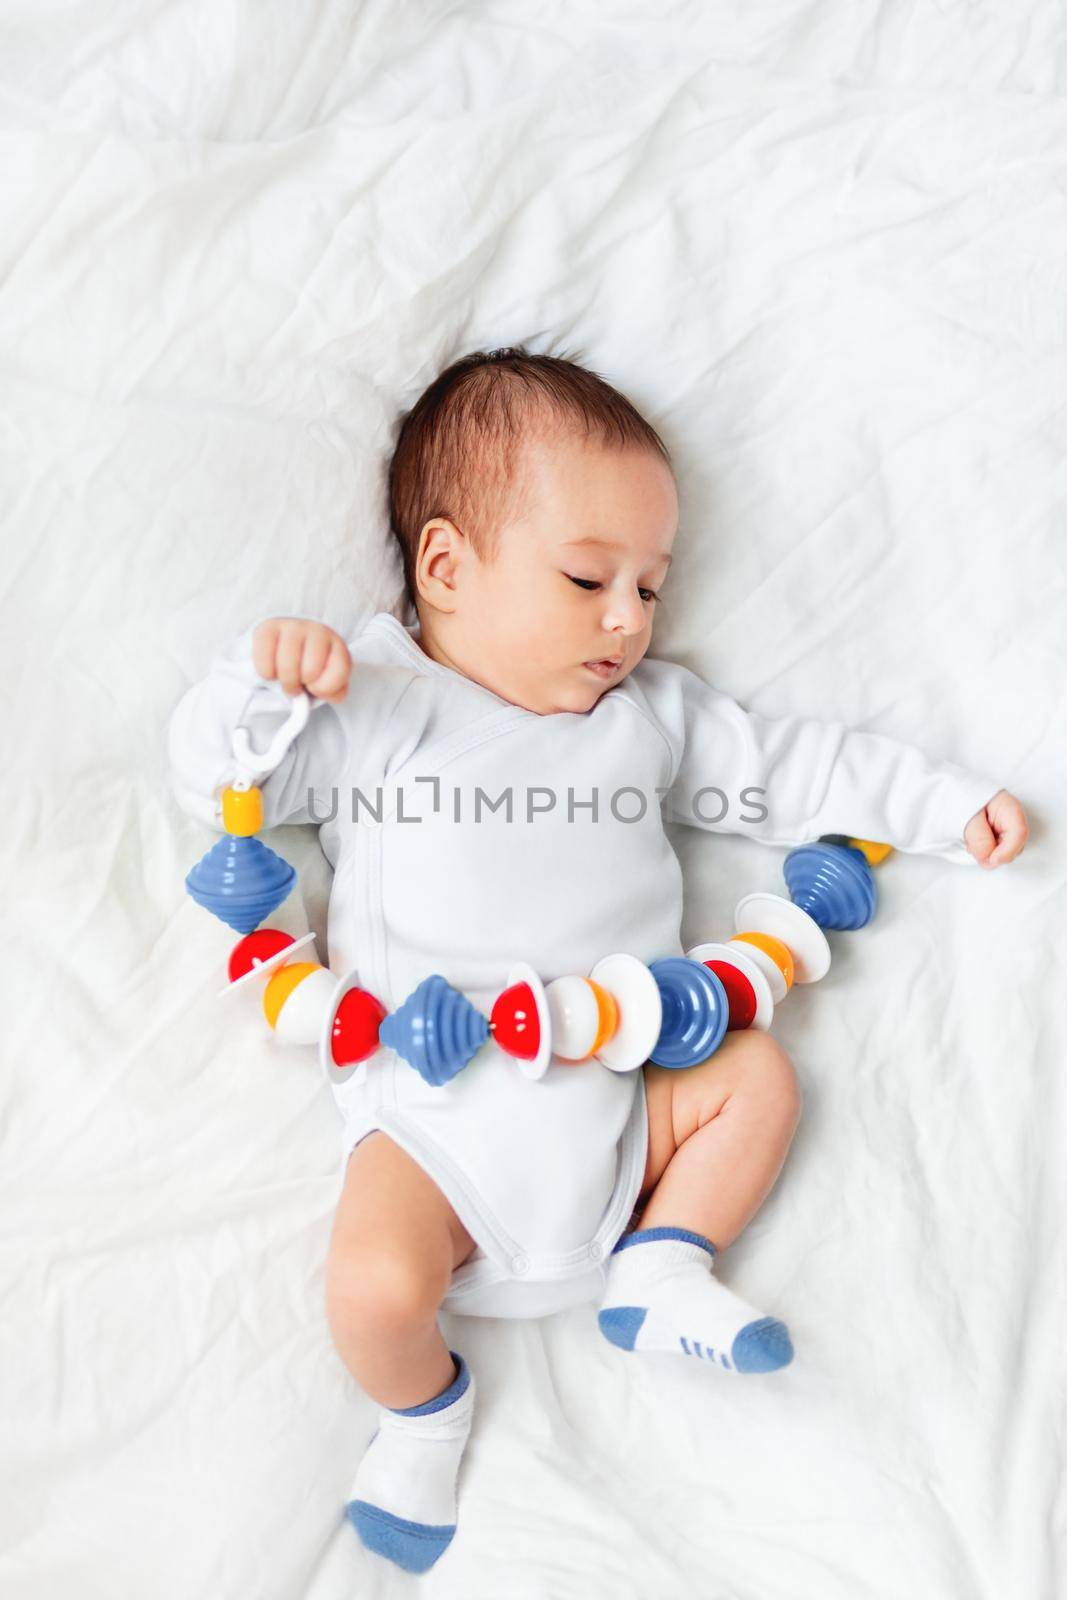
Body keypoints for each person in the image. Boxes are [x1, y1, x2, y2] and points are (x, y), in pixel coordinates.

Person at [166, 348, 1028, 1575]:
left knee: (759, 1081)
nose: (626, 619)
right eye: (586, 578)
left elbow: (799, 771)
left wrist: (945, 803)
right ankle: (424, 1411)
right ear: (445, 569)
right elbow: (220, 783)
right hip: (440, 1121)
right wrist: (260, 682)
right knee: (368, 1288)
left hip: (625, 1098)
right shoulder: (379, 705)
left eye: (648, 587)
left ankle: (662, 1262)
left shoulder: (650, 722)